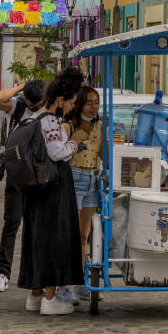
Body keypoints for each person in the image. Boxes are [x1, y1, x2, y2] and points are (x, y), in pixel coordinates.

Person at [17, 68, 87, 316]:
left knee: (37, 236)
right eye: (71, 102)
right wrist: (76, 140)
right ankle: (50, 297)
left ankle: (34, 296)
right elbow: (57, 152)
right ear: (61, 100)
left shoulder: (33, 117)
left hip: (37, 188)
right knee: (54, 238)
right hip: (53, 187)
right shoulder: (51, 121)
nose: (71, 108)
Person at [0, 79, 47, 293]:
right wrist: (21, 87)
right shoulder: (18, 105)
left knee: (39, 226)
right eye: (31, 103)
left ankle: (36, 275)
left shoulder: (49, 109)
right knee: (11, 224)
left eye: (37, 103)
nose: (34, 108)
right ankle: (3, 274)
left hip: (42, 173)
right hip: (18, 172)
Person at [64, 86, 104, 299]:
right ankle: (63, 285)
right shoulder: (69, 126)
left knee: (83, 236)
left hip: (92, 180)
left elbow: (103, 155)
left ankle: (80, 282)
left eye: (96, 102)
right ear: (79, 104)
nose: (93, 106)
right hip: (73, 177)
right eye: (89, 102)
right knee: (69, 235)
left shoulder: (99, 126)